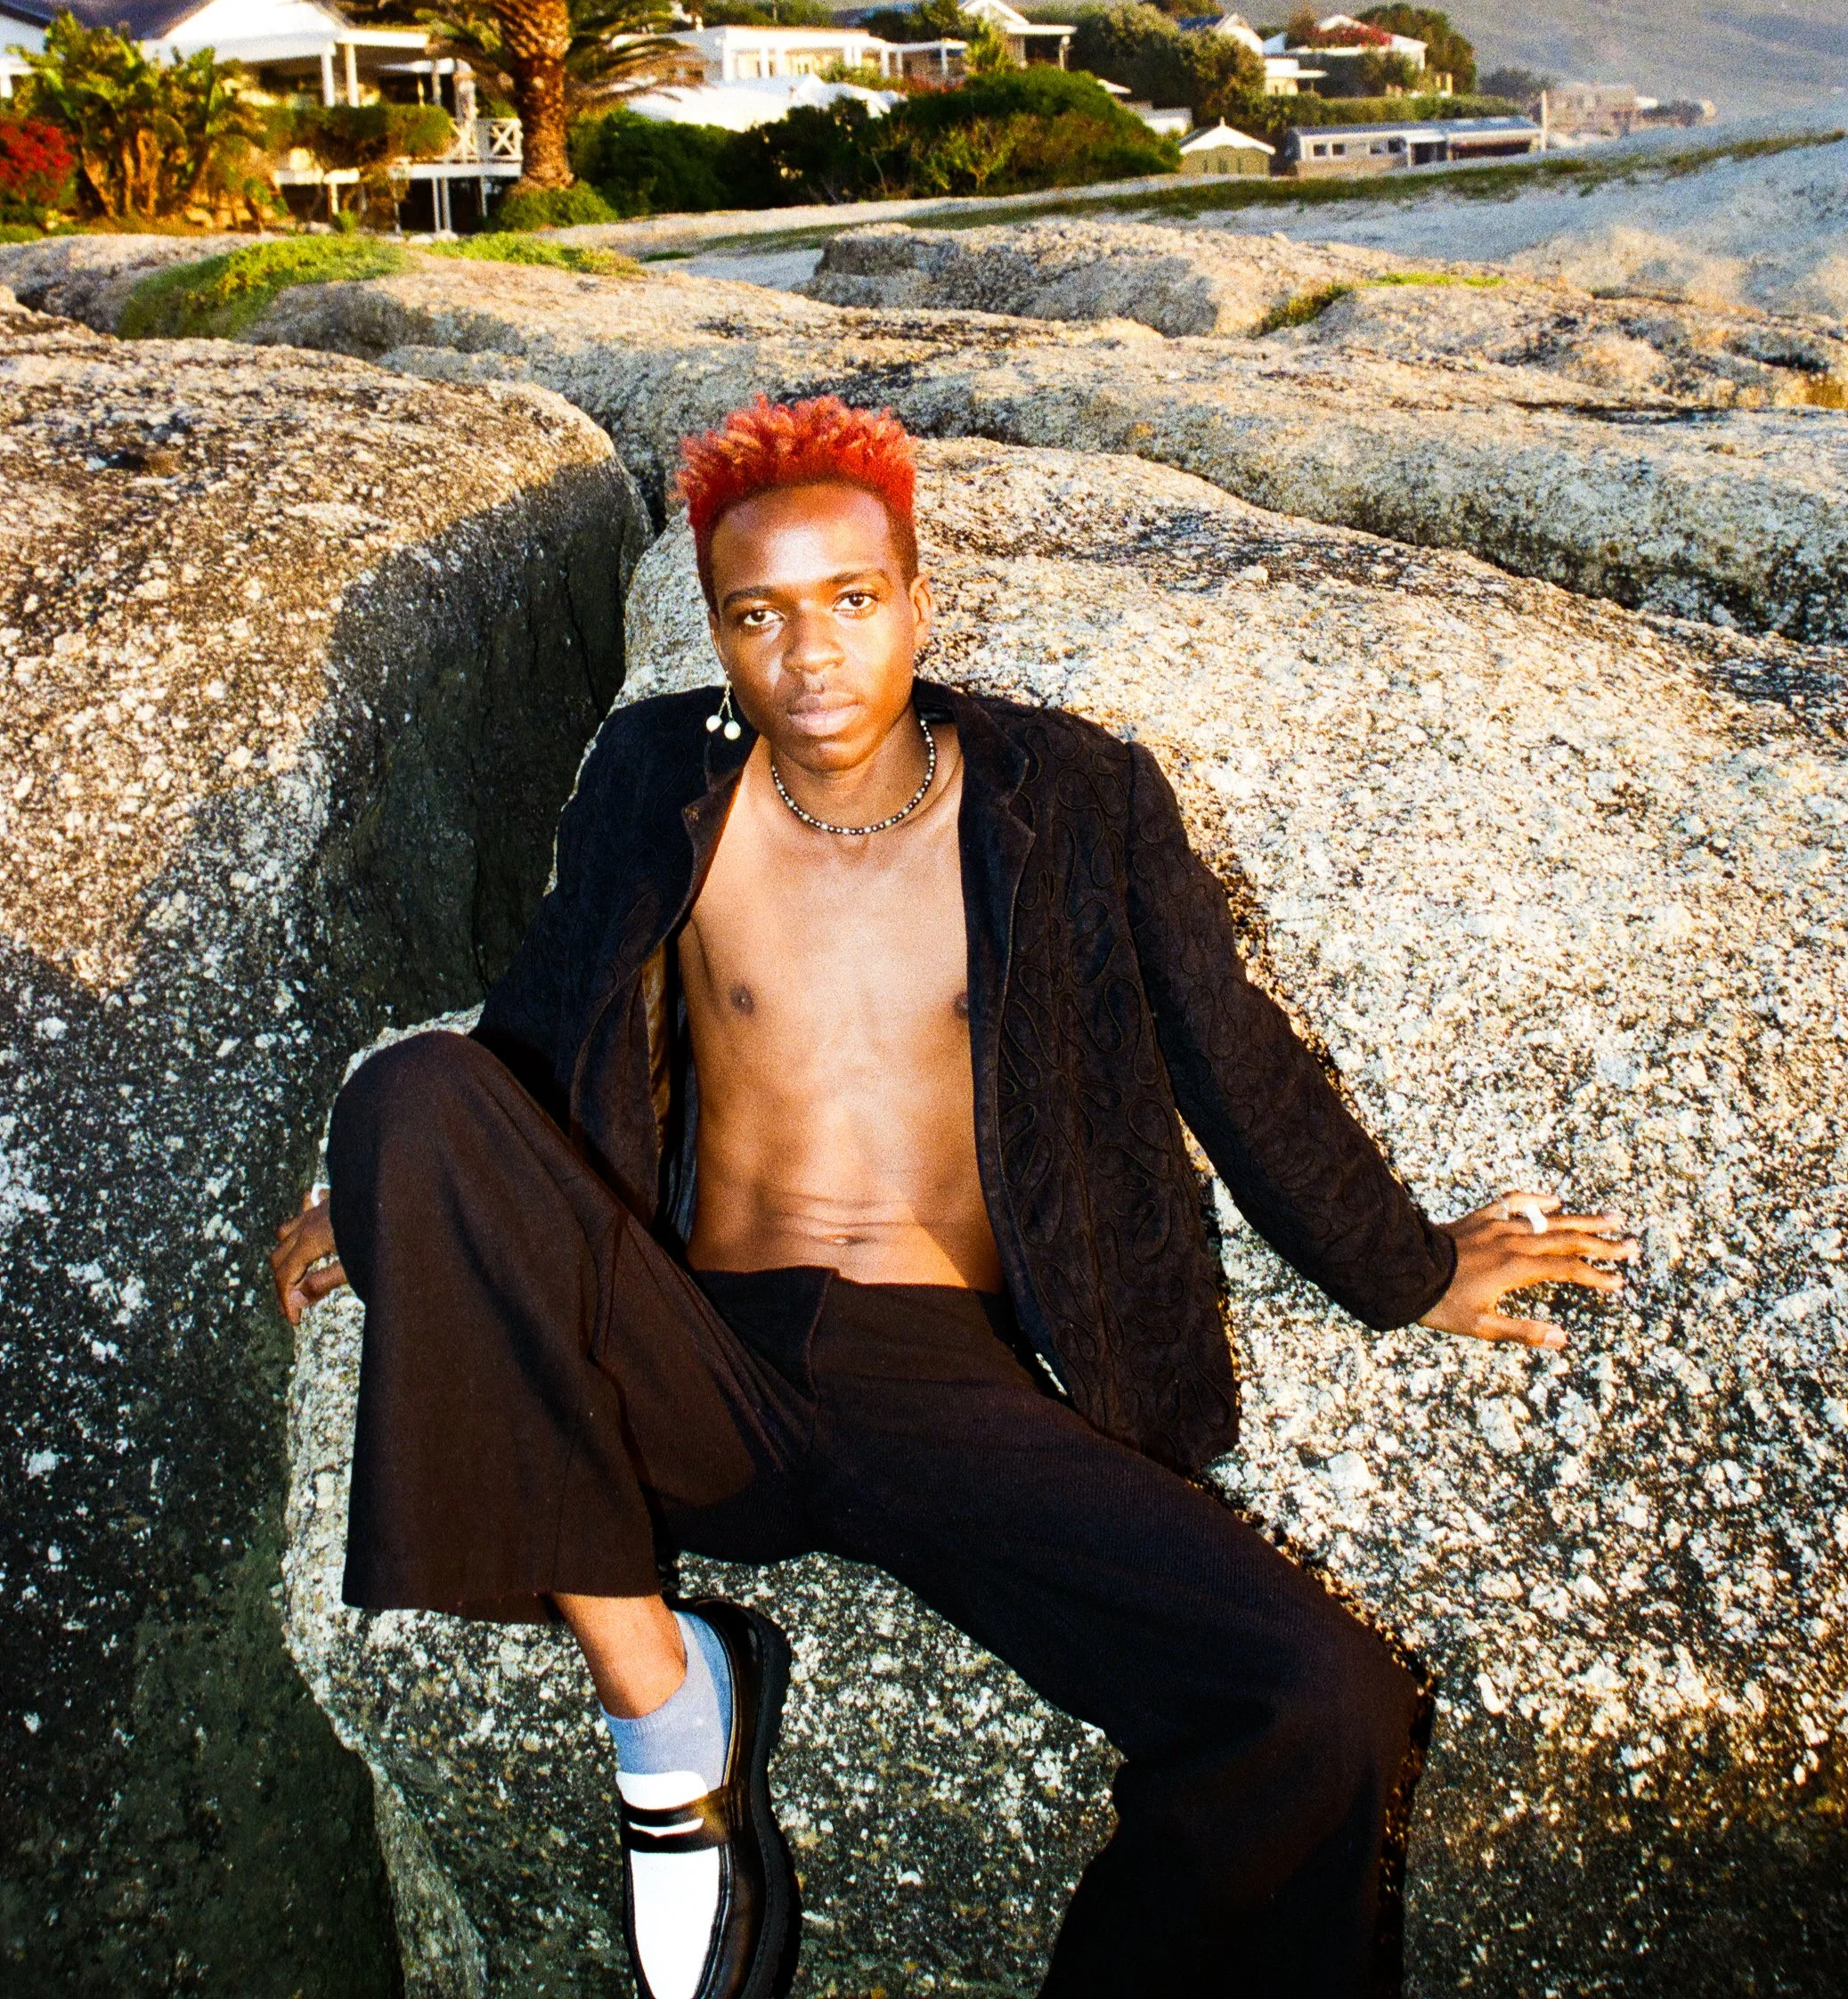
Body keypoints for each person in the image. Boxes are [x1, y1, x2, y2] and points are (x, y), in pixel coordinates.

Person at [272, 393, 1634, 1999]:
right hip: (689, 1362)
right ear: (714, 635)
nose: (809, 654)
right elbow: (538, 1015)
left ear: (917, 602)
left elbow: (1231, 1054)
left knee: (1314, 1697)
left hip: (933, 1386)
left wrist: (1405, 1271)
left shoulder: (1071, 797)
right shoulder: (657, 775)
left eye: (851, 601)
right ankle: (662, 1699)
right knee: (408, 1089)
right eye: (756, 615)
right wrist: (404, 1202)